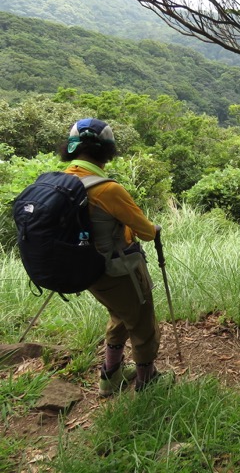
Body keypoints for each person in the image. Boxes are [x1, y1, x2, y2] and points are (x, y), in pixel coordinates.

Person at [59, 118, 162, 395]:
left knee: (118, 314)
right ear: (108, 150)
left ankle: (110, 376)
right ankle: (147, 381)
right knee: (142, 323)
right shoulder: (107, 189)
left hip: (87, 270)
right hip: (117, 270)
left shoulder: (61, 182)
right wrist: (154, 228)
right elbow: (146, 232)